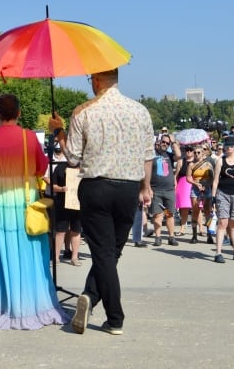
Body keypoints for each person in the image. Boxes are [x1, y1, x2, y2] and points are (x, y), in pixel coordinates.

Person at [50, 69, 155, 335]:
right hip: (128, 187)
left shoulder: (84, 111)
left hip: (95, 187)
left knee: (103, 253)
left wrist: (59, 131)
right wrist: (145, 186)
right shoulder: (140, 111)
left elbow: (72, 157)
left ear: (96, 80)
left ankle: (113, 315)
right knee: (112, 252)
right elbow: (147, 155)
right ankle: (91, 296)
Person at [0, 93, 68, 330]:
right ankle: (37, 303)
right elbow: (40, 168)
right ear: (18, 113)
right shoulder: (29, 137)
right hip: (24, 196)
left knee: (5, 251)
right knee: (30, 249)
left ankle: (8, 305)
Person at [211, 135, 234, 263]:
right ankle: (218, 253)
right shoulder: (220, 161)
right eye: (226, 145)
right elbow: (215, 181)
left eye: (231, 146)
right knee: (222, 223)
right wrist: (213, 197)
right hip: (223, 194)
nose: (228, 148)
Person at [44, 145, 82, 266]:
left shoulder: (83, 168)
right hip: (62, 203)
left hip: (78, 203)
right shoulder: (60, 168)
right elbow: (52, 184)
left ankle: (74, 257)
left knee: (76, 231)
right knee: (60, 231)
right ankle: (56, 257)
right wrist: (61, 188)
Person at [150, 135, 178, 246]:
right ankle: (158, 237)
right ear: (158, 142)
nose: (165, 144)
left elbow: (179, 156)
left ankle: (171, 237)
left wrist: (174, 142)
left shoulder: (170, 155)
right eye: (163, 142)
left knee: (169, 214)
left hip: (169, 190)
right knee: (157, 214)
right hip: (156, 190)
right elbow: (145, 173)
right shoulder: (152, 156)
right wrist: (148, 188)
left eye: (167, 143)